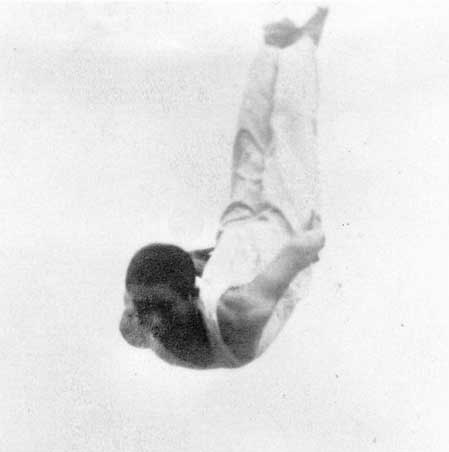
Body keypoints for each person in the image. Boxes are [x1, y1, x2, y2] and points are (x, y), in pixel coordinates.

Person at [119, 7, 328, 369]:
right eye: (145, 311)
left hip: (230, 247)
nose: (152, 322)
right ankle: (302, 44)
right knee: (290, 135)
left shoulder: (138, 316)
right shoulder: (239, 315)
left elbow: (163, 282)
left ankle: (274, 47)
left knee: (250, 142)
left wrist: (196, 261)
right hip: (277, 251)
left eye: (150, 308)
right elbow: (302, 250)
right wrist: (310, 239)